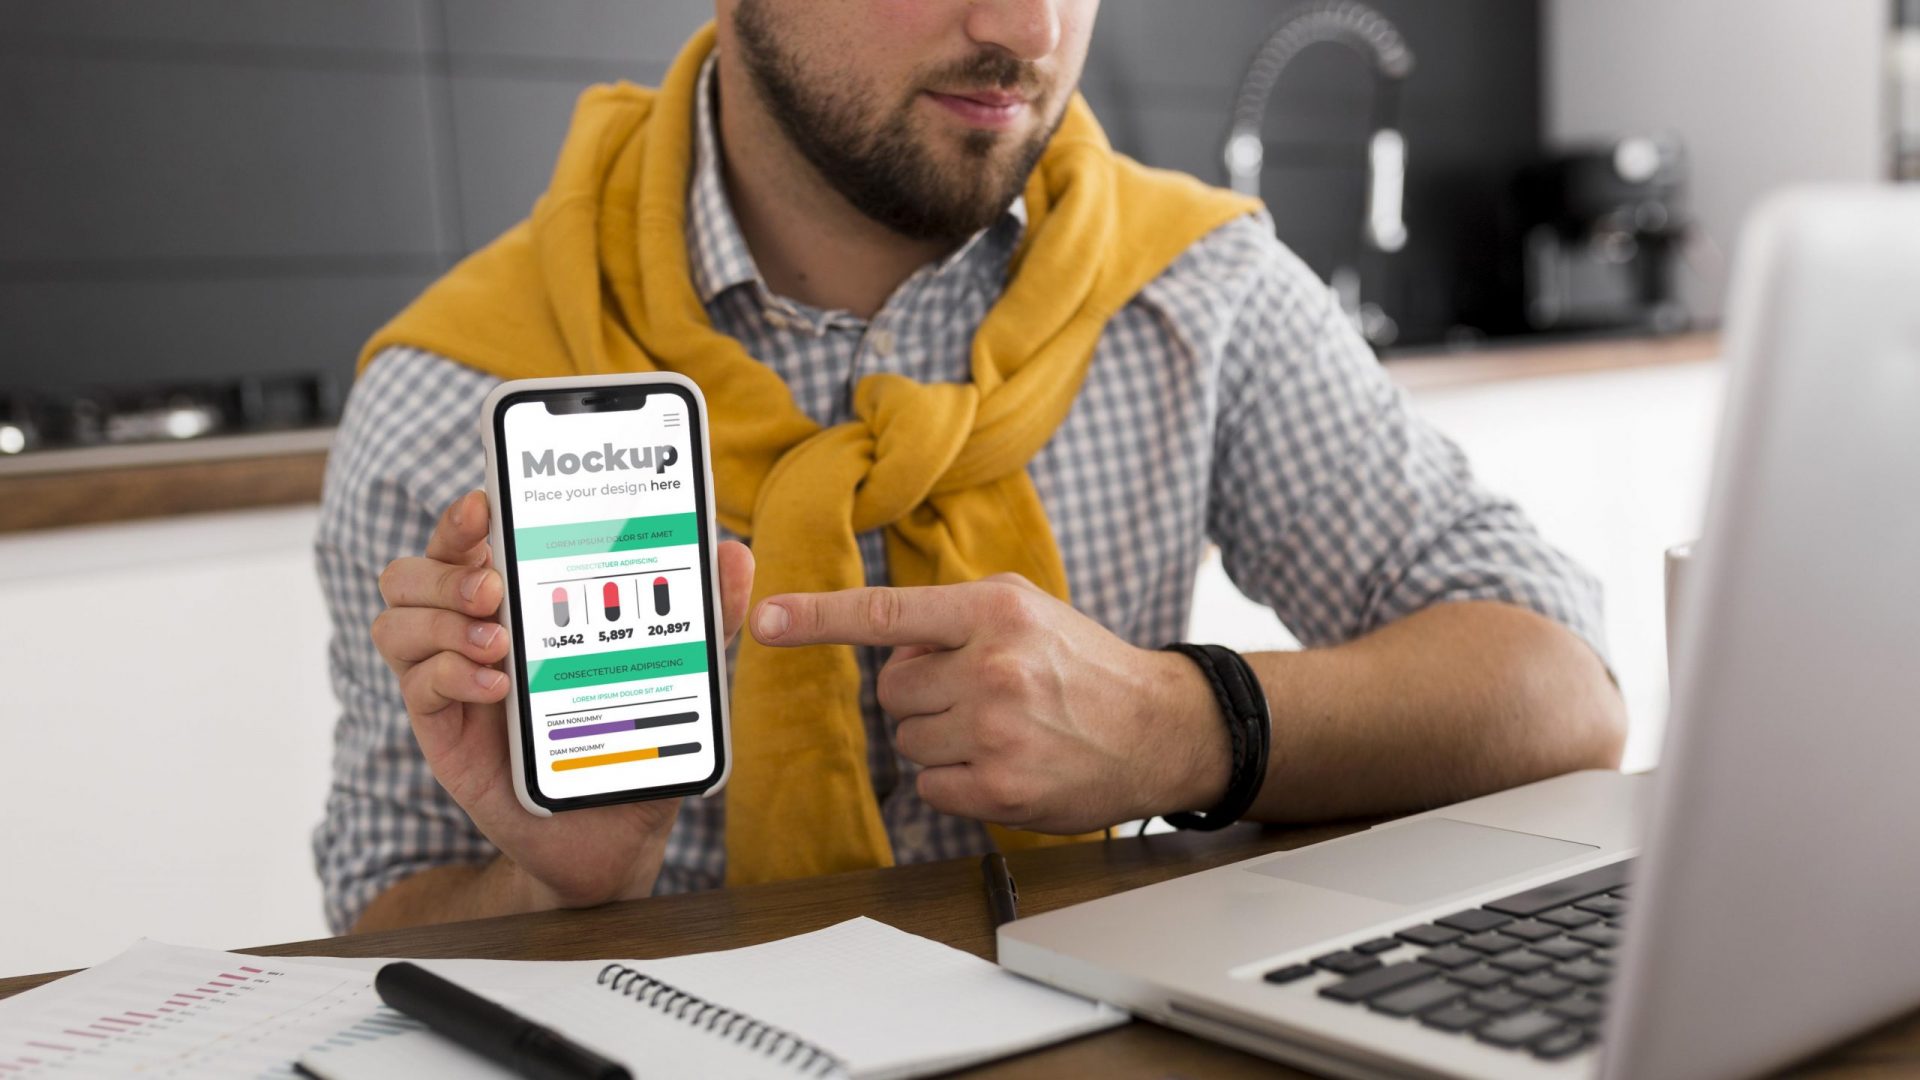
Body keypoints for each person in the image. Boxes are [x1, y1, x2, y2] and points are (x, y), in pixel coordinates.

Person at [314, 0, 1624, 934]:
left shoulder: (1193, 292)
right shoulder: (460, 392)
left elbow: (1563, 687)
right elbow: (379, 919)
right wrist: (560, 885)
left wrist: (1183, 727)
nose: (1031, 28)